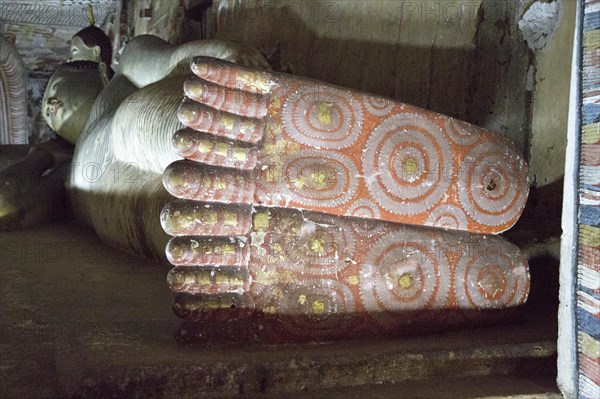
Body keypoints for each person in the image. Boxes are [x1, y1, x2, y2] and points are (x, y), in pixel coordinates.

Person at [3, 30, 531, 336]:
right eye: (48, 109)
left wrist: (225, 60)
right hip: (119, 213)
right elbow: (10, 203)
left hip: (149, 124)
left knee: (179, 142)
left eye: (55, 87)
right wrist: (34, 159)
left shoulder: (116, 81)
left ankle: (269, 144)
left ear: (86, 71)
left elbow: (163, 56)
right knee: (187, 224)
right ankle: (257, 250)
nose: (51, 105)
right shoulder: (59, 164)